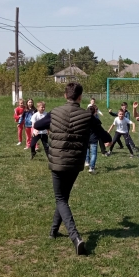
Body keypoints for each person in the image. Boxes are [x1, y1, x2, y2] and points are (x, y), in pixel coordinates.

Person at [33, 82, 112, 255]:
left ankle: (75, 237)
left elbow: (38, 126)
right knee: (63, 197)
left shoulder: (55, 112)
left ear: (65, 95)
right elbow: (105, 136)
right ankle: (53, 231)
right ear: (80, 97)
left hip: (57, 161)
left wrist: (52, 125)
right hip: (75, 163)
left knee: (60, 198)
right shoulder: (87, 116)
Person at [85, 105, 100, 173]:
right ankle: (91, 168)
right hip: (93, 139)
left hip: (86, 138)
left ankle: (87, 162)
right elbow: (100, 130)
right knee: (93, 153)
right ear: (94, 112)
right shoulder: (96, 120)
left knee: (87, 150)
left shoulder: (84, 120)